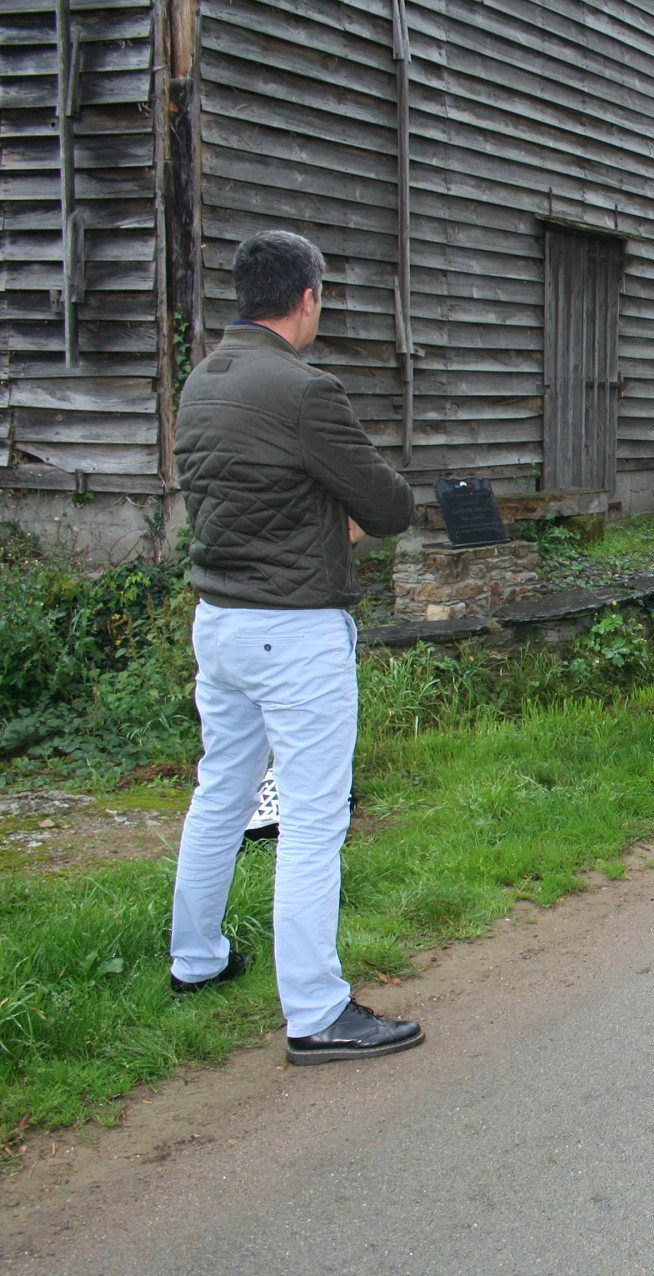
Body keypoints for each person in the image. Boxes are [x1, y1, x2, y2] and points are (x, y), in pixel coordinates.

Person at [170, 229, 422, 1064]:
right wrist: (338, 512)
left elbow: (239, 493)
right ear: (307, 297)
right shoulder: (304, 389)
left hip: (220, 619)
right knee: (314, 820)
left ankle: (195, 959)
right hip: (296, 626)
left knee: (222, 792)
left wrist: (318, 508)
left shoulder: (202, 380)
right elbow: (386, 506)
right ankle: (316, 1011)